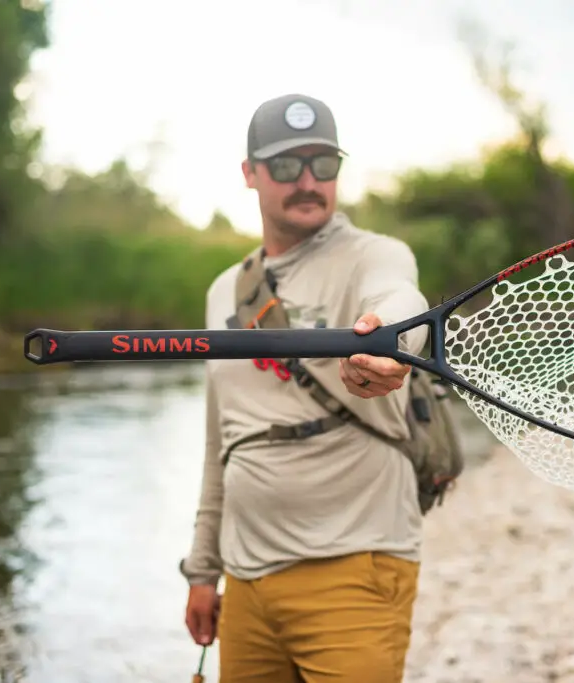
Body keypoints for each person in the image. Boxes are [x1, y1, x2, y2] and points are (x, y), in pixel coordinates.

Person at [180, 93, 431, 683]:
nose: (309, 181)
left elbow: (401, 301)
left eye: (324, 164)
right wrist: (202, 571)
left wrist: (390, 344)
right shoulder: (223, 292)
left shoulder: (376, 255)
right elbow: (224, 441)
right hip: (246, 582)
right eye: (288, 165)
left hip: (356, 567)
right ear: (250, 173)